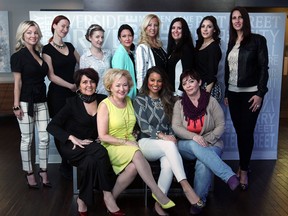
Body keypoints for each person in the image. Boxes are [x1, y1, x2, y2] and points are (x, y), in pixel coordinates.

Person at [47, 68, 124, 216]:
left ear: (96, 84)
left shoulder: (104, 100)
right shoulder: (71, 103)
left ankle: (82, 199)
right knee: (101, 152)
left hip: (93, 145)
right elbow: (52, 126)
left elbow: (116, 118)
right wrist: (71, 137)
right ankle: (107, 195)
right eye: (84, 82)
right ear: (78, 85)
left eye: (92, 81)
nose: (89, 85)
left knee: (90, 161)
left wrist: (107, 135)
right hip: (73, 146)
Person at [97, 69, 175, 211]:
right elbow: (103, 136)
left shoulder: (128, 101)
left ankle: (110, 200)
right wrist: (126, 142)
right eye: (118, 85)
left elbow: (134, 123)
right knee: (137, 152)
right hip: (112, 145)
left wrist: (135, 132)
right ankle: (157, 192)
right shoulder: (104, 105)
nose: (122, 89)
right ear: (110, 87)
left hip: (130, 142)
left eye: (125, 85)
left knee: (133, 168)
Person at [133, 66, 204, 215]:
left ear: (163, 82)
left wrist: (172, 136)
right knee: (169, 146)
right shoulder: (139, 99)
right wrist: (164, 136)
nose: (155, 84)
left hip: (166, 145)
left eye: (159, 81)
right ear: (147, 81)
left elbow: (171, 124)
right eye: (152, 80)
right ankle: (186, 186)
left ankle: (159, 204)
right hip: (147, 143)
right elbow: (144, 126)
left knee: (168, 165)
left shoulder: (168, 99)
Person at [172, 69, 239, 213]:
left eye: (191, 81)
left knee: (203, 163)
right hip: (186, 145)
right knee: (193, 143)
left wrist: (206, 139)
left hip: (212, 143)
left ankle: (198, 201)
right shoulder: (179, 104)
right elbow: (176, 127)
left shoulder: (211, 101)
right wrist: (194, 137)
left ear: (199, 82)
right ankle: (229, 175)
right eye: (184, 83)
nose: (188, 85)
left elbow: (221, 125)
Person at [224, 6, 269, 191]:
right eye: (234, 18)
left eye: (240, 17)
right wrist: (227, 92)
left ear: (245, 20)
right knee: (239, 131)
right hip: (233, 94)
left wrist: (260, 93)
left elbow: (263, 68)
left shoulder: (258, 40)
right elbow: (229, 71)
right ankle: (243, 165)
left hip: (251, 95)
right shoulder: (232, 42)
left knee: (246, 132)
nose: (237, 21)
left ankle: (243, 170)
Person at [10, 20, 51, 189]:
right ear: (22, 35)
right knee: (27, 140)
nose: (33, 35)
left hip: (42, 100)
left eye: (35, 32)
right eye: (29, 33)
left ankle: (43, 170)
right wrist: (16, 105)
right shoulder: (18, 56)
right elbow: (17, 83)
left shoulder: (39, 54)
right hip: (25, 101)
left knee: (45, 138)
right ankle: (29, 172)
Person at [42, 15, 80, 180]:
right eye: (62, 26)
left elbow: (83, 63)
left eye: (67, 27)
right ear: (54, 26)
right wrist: (70, 85)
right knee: (59, 129)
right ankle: (65, 163)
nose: (65, 29)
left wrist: (80, 82)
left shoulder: (70, 46)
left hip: (73, 94)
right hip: (58, 94)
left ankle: (72, 160)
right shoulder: (47, 49)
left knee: (72, 127)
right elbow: (51, 76)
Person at [195, 16, 222, 102]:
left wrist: (205, 95)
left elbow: (211, 74)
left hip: (208, 89)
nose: (205, 29)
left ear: (214, 30)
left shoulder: (213, 47)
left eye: (209, 26)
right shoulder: (199, 45)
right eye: (203, 26)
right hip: (199, 87)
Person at [136, 14, 167, 90]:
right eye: (149, 25)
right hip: (152, 90)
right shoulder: (142, 48)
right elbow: (141, 74)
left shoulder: (160, 46)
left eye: (155, 25)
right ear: (145, 27)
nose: (153, 28)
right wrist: (143, 94)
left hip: (164, 89)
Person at [80, 24, 111, 95]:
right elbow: (83, 81)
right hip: (95, 95)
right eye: (97, 37)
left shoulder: (108, 54)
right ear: (90, 37)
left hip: (109, 95)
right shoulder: (85, 58)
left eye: (102, 37)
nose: (101, 40)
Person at [167, 17, 195, 96]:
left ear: (184, 31)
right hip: (172, 93)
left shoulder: (186, 49)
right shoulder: (173, 49)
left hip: (180, 94)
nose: (175, 31)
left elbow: (187, 72)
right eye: (173, 28)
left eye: (179, 28)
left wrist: (180, 93)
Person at [112, 24, 137, 99]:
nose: (127, 38)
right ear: (119, 38)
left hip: (131, 93)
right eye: (124, 36)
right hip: (125, 95)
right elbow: (118, 79)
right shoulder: (120, 54)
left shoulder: (130, 52)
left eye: (130, 35)